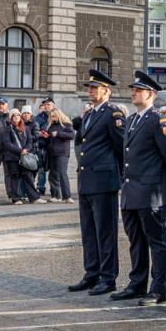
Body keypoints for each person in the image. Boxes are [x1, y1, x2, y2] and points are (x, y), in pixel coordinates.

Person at [111, 71, 166, 304]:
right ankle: (137, 283)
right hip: (131, 191)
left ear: (150, 94)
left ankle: (158, 288)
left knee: (157, 241)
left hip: (152, 191)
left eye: (138, 90)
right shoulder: (131, 120)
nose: (134, 93)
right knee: (136, 241)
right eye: (133, 90)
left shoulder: (158, 120)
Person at [67, 70, 124, 294]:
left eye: (94, 88)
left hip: (105, 180)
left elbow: (121, 148)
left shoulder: (113, 114)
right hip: (87, 179)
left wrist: (120, 177)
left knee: (105, 232)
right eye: (89, 88)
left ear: (106, 91)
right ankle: (91, 273)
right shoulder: (89, 114)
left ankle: (108, 277)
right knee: (88, 231)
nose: (89, 91)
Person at [40, 109, 76, 202]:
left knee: (62, 174)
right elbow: (48, 140)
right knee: (52, 175)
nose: (53, 118)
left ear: (59, 115)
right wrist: (45, 136)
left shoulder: (66, 124)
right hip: (51, 153)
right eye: (51, 116)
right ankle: (55, 195)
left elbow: (72, 135)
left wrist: (59, 133)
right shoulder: (49, 126)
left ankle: (67, 196)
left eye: (54, 116)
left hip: (62, 153)